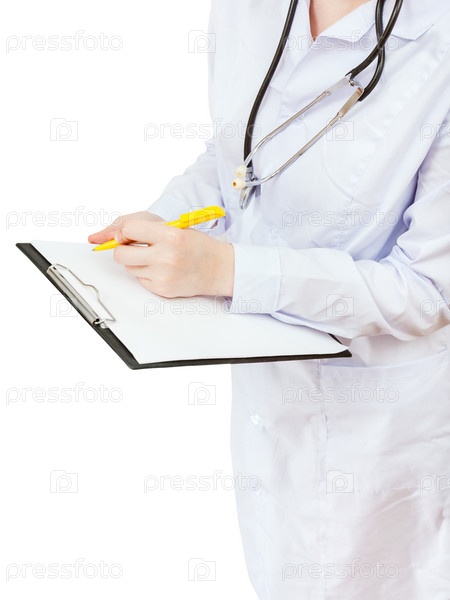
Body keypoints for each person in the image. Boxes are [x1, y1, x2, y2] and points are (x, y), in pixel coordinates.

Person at [89, 0, 450, 597]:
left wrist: (227, 270)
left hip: (380, 422)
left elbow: (428, 291)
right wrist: (167, 223)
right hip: (266, 398)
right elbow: (241, 156)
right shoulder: (244, 8)